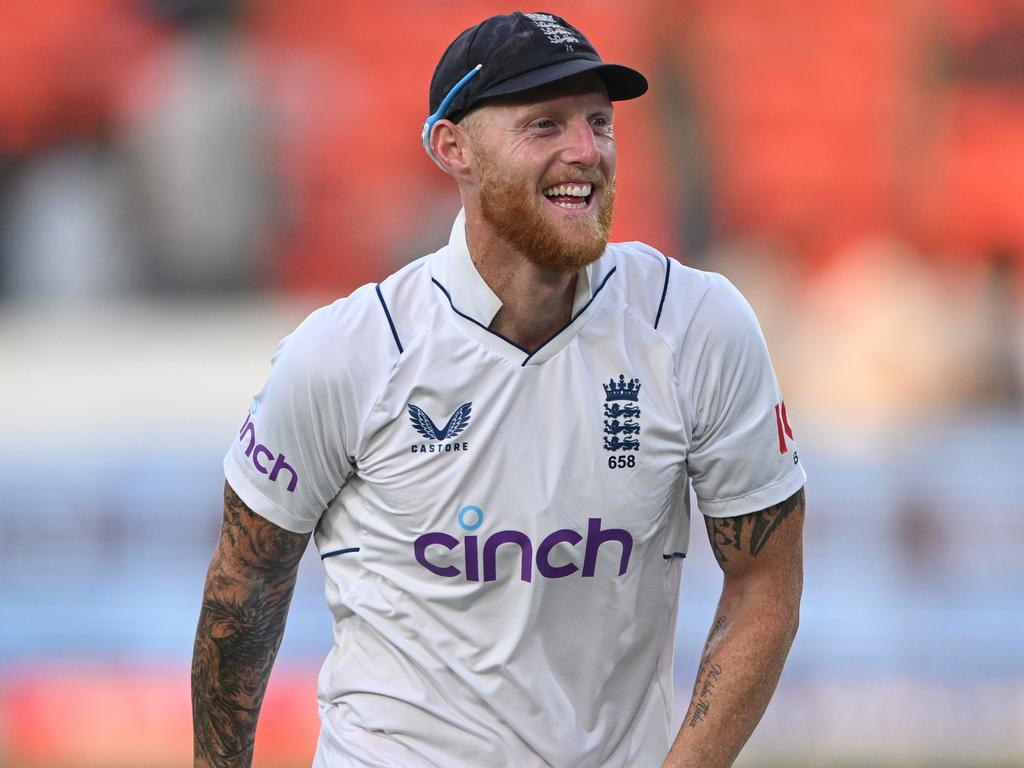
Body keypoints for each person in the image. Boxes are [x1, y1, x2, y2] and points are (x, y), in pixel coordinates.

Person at [191, 11, 806, 768]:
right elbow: (242, 587)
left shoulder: (696, 324)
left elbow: (763, 582)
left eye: (599, 122)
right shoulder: (346, 352)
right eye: (545, 125)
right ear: (453, 148)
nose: (586, 152)